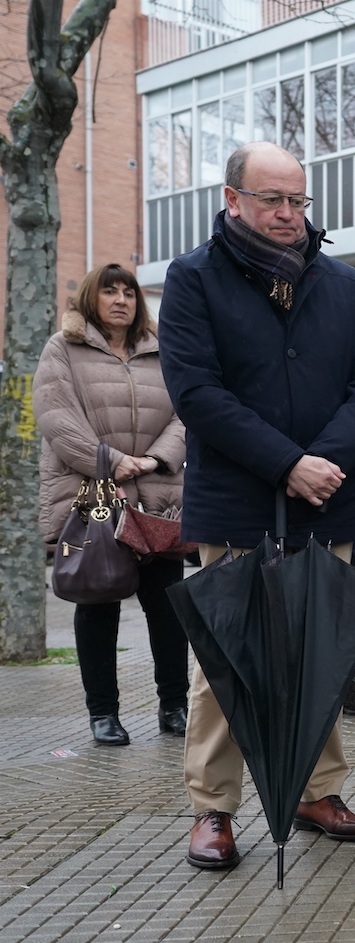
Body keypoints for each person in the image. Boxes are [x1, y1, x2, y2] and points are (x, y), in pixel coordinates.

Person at [160, 142, 355, 870]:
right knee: (228, 656)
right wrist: (287, 463)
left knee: (321, 651)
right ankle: (213, 807)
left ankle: (315, 791)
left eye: (299, 201)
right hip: (236, 502)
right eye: (273, 201)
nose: (290, 215)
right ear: (233, 200)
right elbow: (197, 393)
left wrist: (322, 462)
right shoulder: (192, 279)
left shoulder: (345, 284)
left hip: (331, 500)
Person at [35, 264, 189, 746]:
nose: (120, 299)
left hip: (156, 502)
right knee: (97, 604)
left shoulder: (163, 351)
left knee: (168, 609)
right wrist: (112, 462)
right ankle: (103, 714)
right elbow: (56, 416)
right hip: (93, 502)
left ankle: (174, 707)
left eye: (128, 292)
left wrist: (152, 460)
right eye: (109, 291)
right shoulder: (63, 347)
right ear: (90, 297)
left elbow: (187, 412)